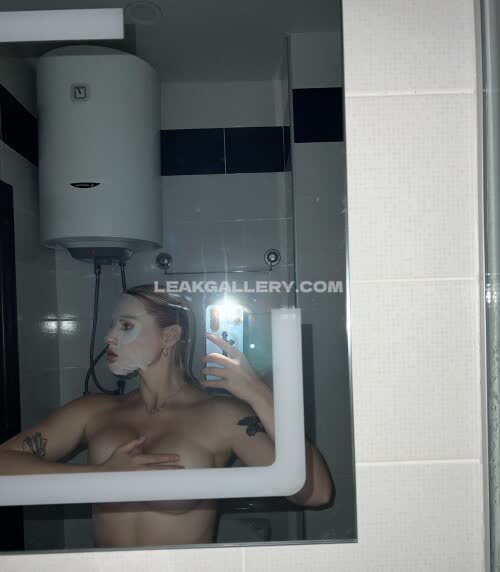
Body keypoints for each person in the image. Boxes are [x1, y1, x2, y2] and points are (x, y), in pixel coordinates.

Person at [0, 284, 334, 548]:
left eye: (126, 325)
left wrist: (257, 392)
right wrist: (100, 475)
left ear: (169, 337)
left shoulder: (222, 416)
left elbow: (315, 493)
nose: (109, 337)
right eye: (112, 325)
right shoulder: (93, 411)